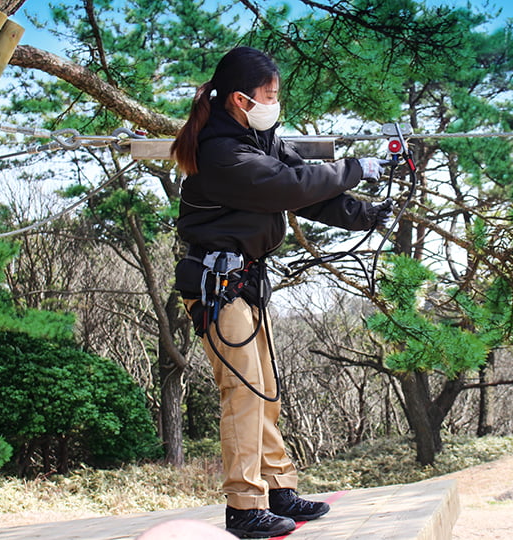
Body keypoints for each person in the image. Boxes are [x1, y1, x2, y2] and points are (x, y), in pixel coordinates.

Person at [171, 46, 391, 539]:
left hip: (245, 282)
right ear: (240, 99)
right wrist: (356, 167)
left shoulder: (259, 137)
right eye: (269, 95)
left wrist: (367, 214)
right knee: (243, 393)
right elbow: (287, 186)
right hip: (216, 284)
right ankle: (244, 505)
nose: (275, 103)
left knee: (264, 392)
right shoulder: (220, 151)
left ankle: (277, 490)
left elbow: (309, 194)